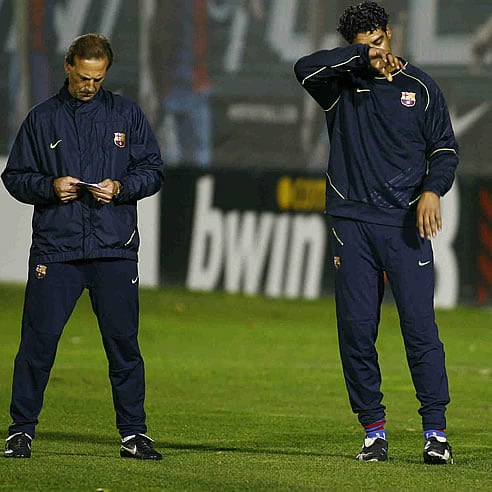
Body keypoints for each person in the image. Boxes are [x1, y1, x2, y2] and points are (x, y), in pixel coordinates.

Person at [294, 1, 457, 464]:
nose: (377, 52)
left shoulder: (421, 88)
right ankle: (374, 431)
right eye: (365, 47)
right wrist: (361, 58)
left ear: (391, 32)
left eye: (379, 42)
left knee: (420, 330)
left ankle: (435, 433)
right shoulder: (340, 85)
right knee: (357, 331)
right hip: (352, 225)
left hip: (406, 225)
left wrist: (432, 190)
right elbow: (303, 66)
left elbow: (444, 148)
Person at [2, 33, 165, 460]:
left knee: (123, 345)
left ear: (105, 72)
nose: (89, 85)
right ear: (68, 66)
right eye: (83, 77)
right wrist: (49, 186)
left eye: (97, 78)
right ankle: (20, 431)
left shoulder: (126, 114)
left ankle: (134, 433)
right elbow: (15, 176)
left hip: (113, 249)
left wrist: (122, 186)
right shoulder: (42, 119)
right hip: (57, 251)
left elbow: (153, 170)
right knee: (38, 344)